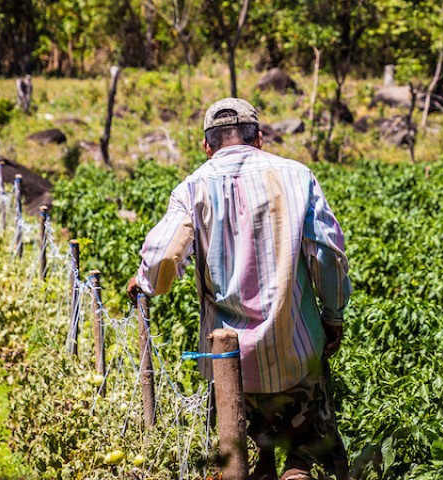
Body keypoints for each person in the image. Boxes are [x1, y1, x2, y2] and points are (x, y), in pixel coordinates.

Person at [127, 98, 352, 480]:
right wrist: (333, 315)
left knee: (248, 458)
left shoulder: (192, 188)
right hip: (295, 350)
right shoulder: (297, 176)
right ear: (259, 138)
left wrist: (145, 281)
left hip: (229, 363)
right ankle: (296, 471)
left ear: (207, 146)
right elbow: (327, 254)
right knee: (304, 453)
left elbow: (165, 257)